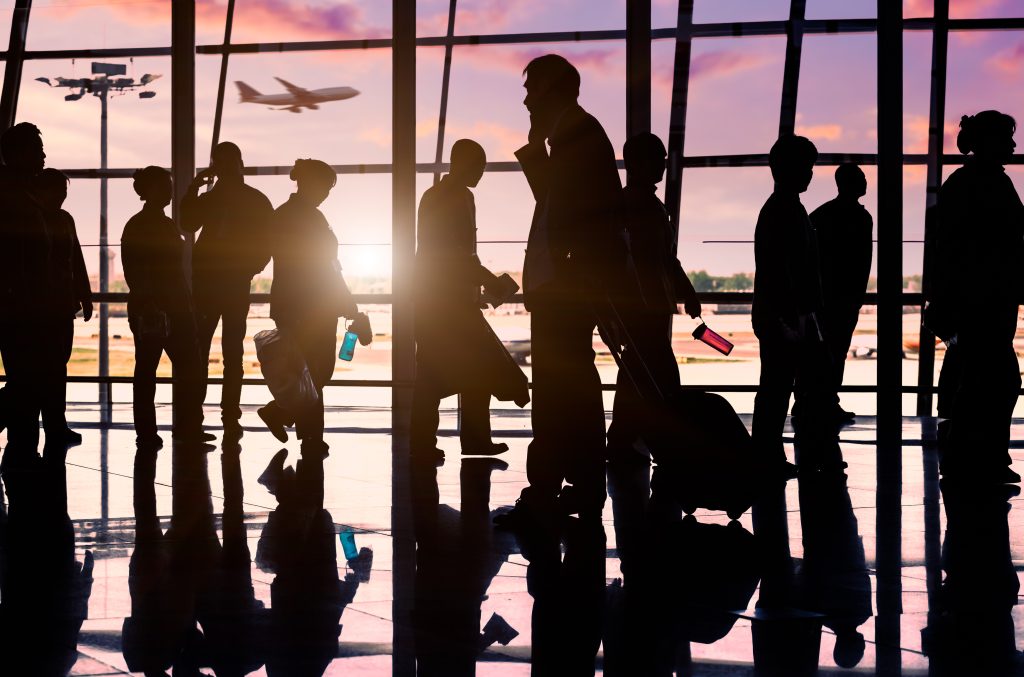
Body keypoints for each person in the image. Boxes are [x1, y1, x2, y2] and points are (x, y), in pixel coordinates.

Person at [498, 54, 626, 532]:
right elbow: (556, 203)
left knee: (556, 391)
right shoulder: (575, 138)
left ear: (555, 90)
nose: (527, 99)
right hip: (566, 288)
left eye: (532, 89)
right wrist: (535, 148)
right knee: (569, 388)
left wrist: (572, 280)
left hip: (565, 291)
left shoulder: (580, 140)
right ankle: (577, 484)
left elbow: (576, 221)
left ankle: (549, 489)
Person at [411, 139, 529, 464]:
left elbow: (460, 254)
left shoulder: (458, 196)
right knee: (438, 373)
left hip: (452, 301)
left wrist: (476, 288)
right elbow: (452, 255)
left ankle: (454, 440)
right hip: (439, 304)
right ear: (461, 163)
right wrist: (487, 281)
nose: (482, 172)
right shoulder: (442, 198)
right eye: (479, 166)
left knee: (453, 371)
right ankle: (447, 441)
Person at [929, 111, 1023, 485]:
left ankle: (975, 456)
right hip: (985, 300)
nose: (1014, 146)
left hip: (980, 299)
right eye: (1007, 139)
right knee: (996, 380)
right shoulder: (987, 185)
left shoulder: (966, 184)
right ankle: (978, 456)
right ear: (989, 142)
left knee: (985, 379)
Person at [257, 159, 371, 460]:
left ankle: (283, 414)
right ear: (311, 183)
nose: (327, 194)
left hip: (298, 305)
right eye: (326, 187)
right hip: (311, 306)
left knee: (309, 372)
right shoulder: (309, 219)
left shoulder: (288, 215)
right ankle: (309, 436)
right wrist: (347, 304)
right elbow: (327, 268)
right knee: (316, 371)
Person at [606, 132, 701, 465]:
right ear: (638, 163)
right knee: (656, 373)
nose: (663, 164)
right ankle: (651, 440)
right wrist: (683, 291)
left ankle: (624, 438)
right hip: (644, 307)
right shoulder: (639, 206)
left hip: (648, 306)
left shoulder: (642, 204)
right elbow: (654, 260)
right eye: (658, 158)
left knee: (637, 373)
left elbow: (664, 259)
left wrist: (684, 290)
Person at [751, 134, 834, 480]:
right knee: (787, 387)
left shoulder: (785, 208)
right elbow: (782, 271)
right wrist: (796, 317)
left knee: (779, 387)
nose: (810, 174)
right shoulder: (786, 211)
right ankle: (788, 453)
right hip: (790, 316)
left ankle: (770, 454)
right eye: (805, 166)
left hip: (789, 315)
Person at [181, 141, 274, 440]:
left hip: (213, 284)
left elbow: (187, 224)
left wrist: (194, 188)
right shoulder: (254, 200)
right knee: (230, 354)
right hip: (231, 285)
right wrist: (249, 269)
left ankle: (199, 417)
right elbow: (266, 244)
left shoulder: (214, 200)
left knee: (204, 351)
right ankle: (228, 417)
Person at [121, 166, 208, 449]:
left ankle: (149, 431)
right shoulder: (156, 225)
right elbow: (142, 272)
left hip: (160, 307)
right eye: (166, 186)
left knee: (148, 369)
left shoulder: (143, 224)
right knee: (183, 369)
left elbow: (135, 272)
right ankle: (185, 427)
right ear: (151, 190)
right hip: (164, 307)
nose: (170, 192)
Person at [0, 122, 51, 465]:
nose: (43, 155)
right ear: (18, 154)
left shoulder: (24, 193)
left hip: (23, 303)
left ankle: (21, 450)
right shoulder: (13, 197)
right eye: (36, 148)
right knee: (27, 379)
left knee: (27, 379)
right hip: (20, 305)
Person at [809, 163, 873, 425]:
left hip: (827, 297)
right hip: (845, 298)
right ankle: (825, 401)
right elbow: (863, 261)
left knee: (825, 352)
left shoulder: (820, 215)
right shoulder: (861, 218)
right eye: (861, 178)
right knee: (836, 351)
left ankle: (814, 401)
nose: (866, 181)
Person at [36, 168, 93, 447]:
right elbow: (76, 260)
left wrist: (85, 295)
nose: (62, 197)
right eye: (59, 191)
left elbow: (76, 258)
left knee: (56, 367)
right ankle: (53, 425)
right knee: (53, 368)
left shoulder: (61, 219)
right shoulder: (48, 220)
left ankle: (52, 425)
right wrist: (84, 294)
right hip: (49, 305)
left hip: (57, 305)